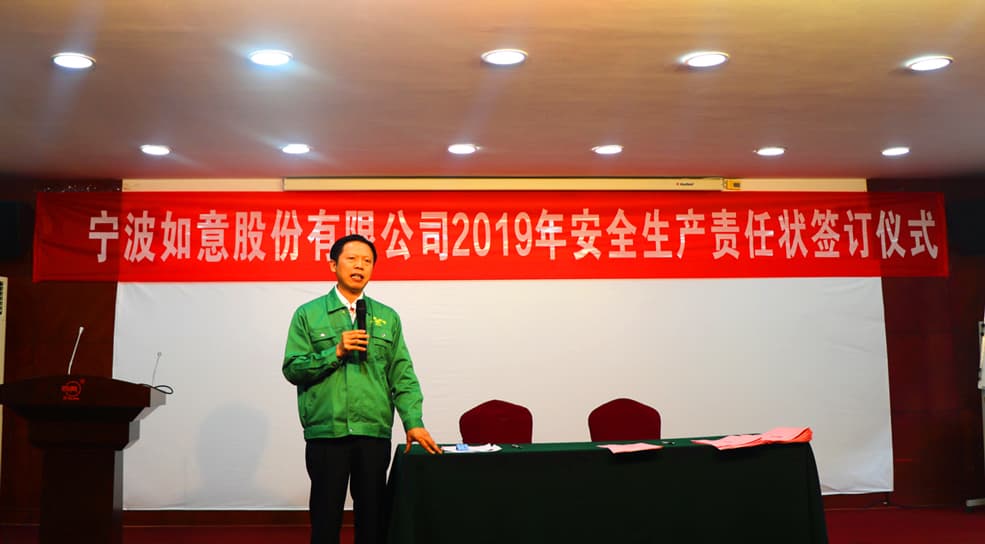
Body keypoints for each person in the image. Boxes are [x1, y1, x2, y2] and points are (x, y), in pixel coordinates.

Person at [283, 233, 441, 544]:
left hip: (372, 431)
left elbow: (402, 375)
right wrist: (335, 352)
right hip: (327, 432)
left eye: (367, 261)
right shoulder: (308, 314)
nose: (360, 266)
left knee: (373, 520)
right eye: (352, 259)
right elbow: (293, 368)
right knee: (325, 520)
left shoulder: (387, 317)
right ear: (333, 265)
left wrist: (413, 422)